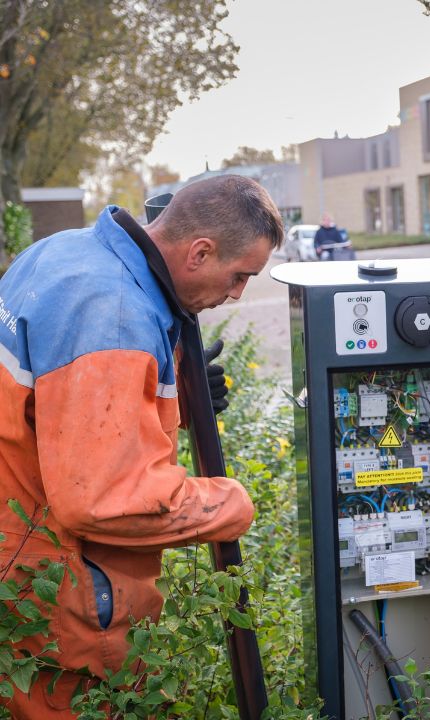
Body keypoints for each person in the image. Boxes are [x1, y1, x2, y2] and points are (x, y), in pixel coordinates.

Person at [0, 174, 283, 718]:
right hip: (66, 586)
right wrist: (230, 504)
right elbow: (103, 498)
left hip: (20, 548)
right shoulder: (114, 316)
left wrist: (167, 386)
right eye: (240, 275)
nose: (238, 294)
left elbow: (59, 404)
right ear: (200, 252)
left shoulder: (63, 254)